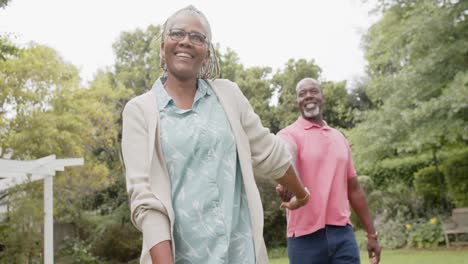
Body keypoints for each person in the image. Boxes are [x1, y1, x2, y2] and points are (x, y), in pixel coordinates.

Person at [121, 6, 310, 264]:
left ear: (207, 52)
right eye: (177, 33)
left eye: (197, 37)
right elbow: (146, 199)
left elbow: (270, 152)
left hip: (241, 256)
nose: (186, 41)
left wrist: (301, 193)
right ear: (163, 44)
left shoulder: (228, 96)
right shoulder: (140, 111)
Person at [276, 78, 381, 264]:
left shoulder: (339, 137)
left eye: (314, 91)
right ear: (297, 102)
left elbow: (354, 189)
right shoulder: (288, 134)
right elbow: (286, 153)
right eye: (302, 93)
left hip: (343, 235)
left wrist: (372, 234)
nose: (308, 96)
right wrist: (291, 177)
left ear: (322, 97)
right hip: (304, 239)